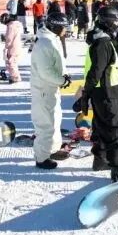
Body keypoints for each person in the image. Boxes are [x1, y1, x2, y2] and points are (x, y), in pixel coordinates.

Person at [82, 7, 118, 180]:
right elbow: (96, 71)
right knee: (114, 129)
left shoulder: (102, 40)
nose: (117, 25)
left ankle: (101, 160)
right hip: (106, 92)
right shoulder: (103, 43)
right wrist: (86, 94)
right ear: (108, 21)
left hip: (104, 91)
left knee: (101, 127)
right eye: (115, 21)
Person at [30, 12, 71, 170]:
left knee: (55, 120)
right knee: (46, 124)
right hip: (44, 89)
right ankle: (42, 158)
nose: (66, 30)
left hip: (51, 88)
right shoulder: (45, 43)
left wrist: (64, 76)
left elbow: (56, 63)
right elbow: (45, 72)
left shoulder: (52, 39)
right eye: (64, 27)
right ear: (55, 27)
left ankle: (52, 149)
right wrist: (62, 80)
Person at [0, 13, 23, 83]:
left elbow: (9, 38)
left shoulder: (11, 26)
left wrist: (6, 44)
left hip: (12, 47)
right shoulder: (15, 25)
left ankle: (15, 77)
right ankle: (14, 76)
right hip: (16, 46)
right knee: (12, 62)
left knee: (11, 63)